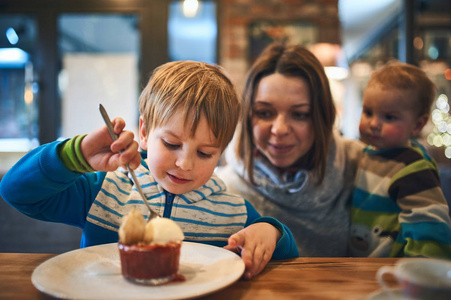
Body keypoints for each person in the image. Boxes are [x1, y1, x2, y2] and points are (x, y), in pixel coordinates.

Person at [0, 61, 299, 279]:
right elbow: (17, 192)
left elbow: (287, 257)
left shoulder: (233, 212)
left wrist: (271, 230)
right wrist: (74, 155)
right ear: (144, 132)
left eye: (205, 153)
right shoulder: (104, 191)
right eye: (171, 144)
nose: (185, 163)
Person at [216, 43, 365, 257]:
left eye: (300, 114)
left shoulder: (360, 166)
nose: (280, 129)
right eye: (265, 113)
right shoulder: (225, 188)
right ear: (248, 117)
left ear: (322, 118)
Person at [348, 62, 451, 258]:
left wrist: (420, 271)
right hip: (364, 269)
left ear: (417, 125)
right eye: (368, 112)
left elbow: (432, 227)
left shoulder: (412, 168)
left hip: (395, 271)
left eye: (389, 117)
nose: (374, 123)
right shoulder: (369, 154)